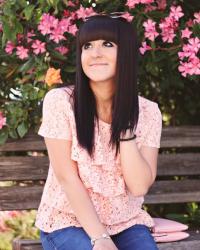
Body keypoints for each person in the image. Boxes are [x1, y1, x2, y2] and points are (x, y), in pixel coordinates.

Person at [36, 13, 162, 250]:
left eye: (107, 44)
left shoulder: (148, 112)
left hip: (125, 223)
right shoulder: (60, 102)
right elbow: (67, 177)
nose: (95, 54)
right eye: (87, 46)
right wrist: (100, 238)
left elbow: (138, 186)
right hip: (67, 221)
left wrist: (124, 125)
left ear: (125, 54)